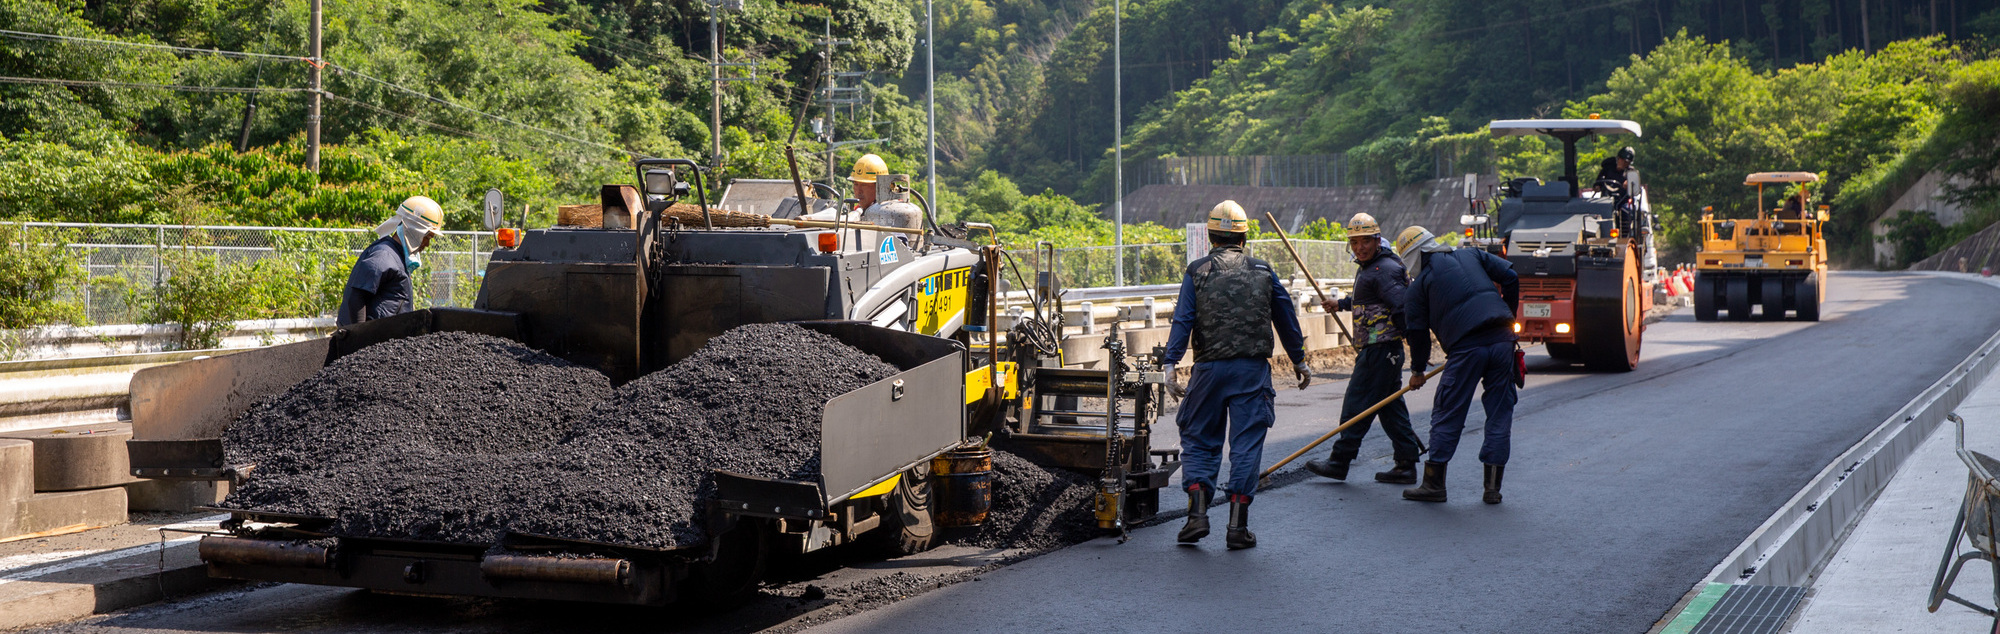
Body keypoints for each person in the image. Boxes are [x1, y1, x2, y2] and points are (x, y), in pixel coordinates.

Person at [1163, 200, 1310, 549]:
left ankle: (1197, 514)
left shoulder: (1197, 271)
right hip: (1251, 372)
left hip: (1208, 371)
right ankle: (1237, 527)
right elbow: (1286, 317)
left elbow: (1183, 319)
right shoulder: (1263, 270)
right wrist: (1299, 360)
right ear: (1244, 237)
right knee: (1246, 445)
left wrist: (1170, 364)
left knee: (1199, 438)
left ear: (1210, 237)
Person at [1395, 225, 1520, 505]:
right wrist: (1509, 317)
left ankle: (1434, 484)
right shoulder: (1471, 254)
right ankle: (1492, 488)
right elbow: (1510, 277)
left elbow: (1417, 335)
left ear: (1411, 258)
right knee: (1500, 412)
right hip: (1502, 341)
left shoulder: (1418, 287)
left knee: (1448, 410)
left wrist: (1417, 372)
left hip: (1466, 349)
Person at [1303, 213, 1423, 485]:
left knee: (1356, 405)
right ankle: (1406, 464)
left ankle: (1339, 462)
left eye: (1365, 241)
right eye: (1354, 243)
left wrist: (1416, 352)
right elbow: (1368, 299)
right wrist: (1341, 304)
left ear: (1377, 240)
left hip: (1380, 350)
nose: (1360, 248)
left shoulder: (1384, 270)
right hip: (1382, 350)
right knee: (1390, 408)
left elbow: (1402, 309)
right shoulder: (1372, 268)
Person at [337, 196, 444, 326]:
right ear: (414, 230)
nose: (427, 244)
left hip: (386, 337)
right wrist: (359, 334)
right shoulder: (383, 256)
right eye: (427, 237)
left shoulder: (397, 257)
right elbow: (356, 297)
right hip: (373, 337)